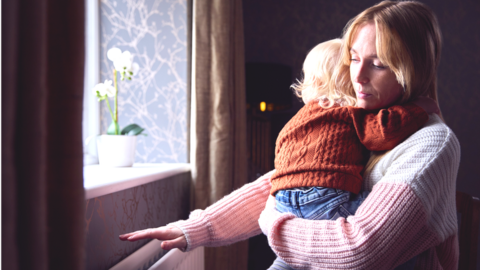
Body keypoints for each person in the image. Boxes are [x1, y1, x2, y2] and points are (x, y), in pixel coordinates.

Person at [120, 1, 460, 269]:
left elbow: (358, 251)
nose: (357, 76)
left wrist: (273, 223)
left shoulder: (430, 143)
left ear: (410, 68)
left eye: (378, 63)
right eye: (353, 59)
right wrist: (192, 230)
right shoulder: (362, 121)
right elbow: (289, 182)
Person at [265, 38, 434, 270]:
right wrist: (419, 109)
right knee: (400, 233)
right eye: (353, 63)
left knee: (291, 259)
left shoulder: (296, 120)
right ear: (348, 82)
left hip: (282, 200)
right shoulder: (348, 111)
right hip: (324, 197)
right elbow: (382, 132)